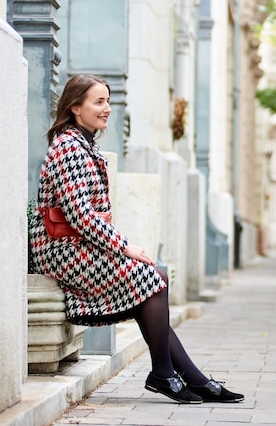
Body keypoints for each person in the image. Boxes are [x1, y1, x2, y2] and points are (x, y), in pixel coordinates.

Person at [28, 74, 244, 405]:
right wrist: (124, 246)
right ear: (75, 108)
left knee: (155, 275)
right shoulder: (69, 147)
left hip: (81, 247)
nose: (107, 109)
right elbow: (79, 214)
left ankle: (182, 376)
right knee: (152, 278)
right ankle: (168, 374)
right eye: (98, 102)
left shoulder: (83, 143)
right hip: (63, 252)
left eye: (108, 101)